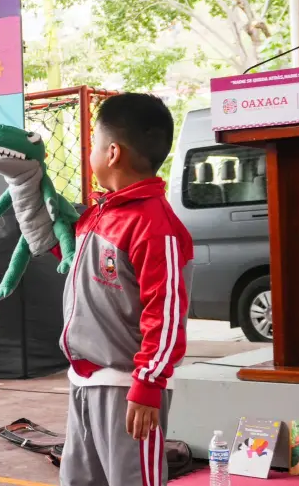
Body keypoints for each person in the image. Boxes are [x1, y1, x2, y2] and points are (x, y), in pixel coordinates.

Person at [57, 93, 194, 486]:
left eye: (94, 145)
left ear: (112, 152)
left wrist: (148, 384)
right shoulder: (99, 214)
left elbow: (166, 311)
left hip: (126, 390)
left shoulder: (155, 224)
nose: (92, 154)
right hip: (83, 380)